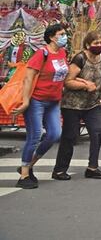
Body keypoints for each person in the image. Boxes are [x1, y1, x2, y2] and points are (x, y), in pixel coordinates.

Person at [13, 23, 69, 188]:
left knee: (54, 134)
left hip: (53, 101)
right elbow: (28, 78)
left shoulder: (62, 53)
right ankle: (23, 176)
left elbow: (61, 77)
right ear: (52, 37)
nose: (64, 36)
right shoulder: (41, 53)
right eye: (62, 34)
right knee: (35, 135)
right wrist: (25, 102)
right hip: (36, 100)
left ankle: (29, 165)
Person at [54, 30, 101, 181]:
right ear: (87, 44)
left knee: (98, 130)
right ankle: (60, 169)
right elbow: (68, 81)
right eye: (95, 43)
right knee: (70, 136)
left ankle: (93, 167)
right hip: (73, 104)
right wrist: (86, 85)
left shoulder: (100, 57)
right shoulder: (80, 58)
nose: (99, 46)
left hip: (92, 103)